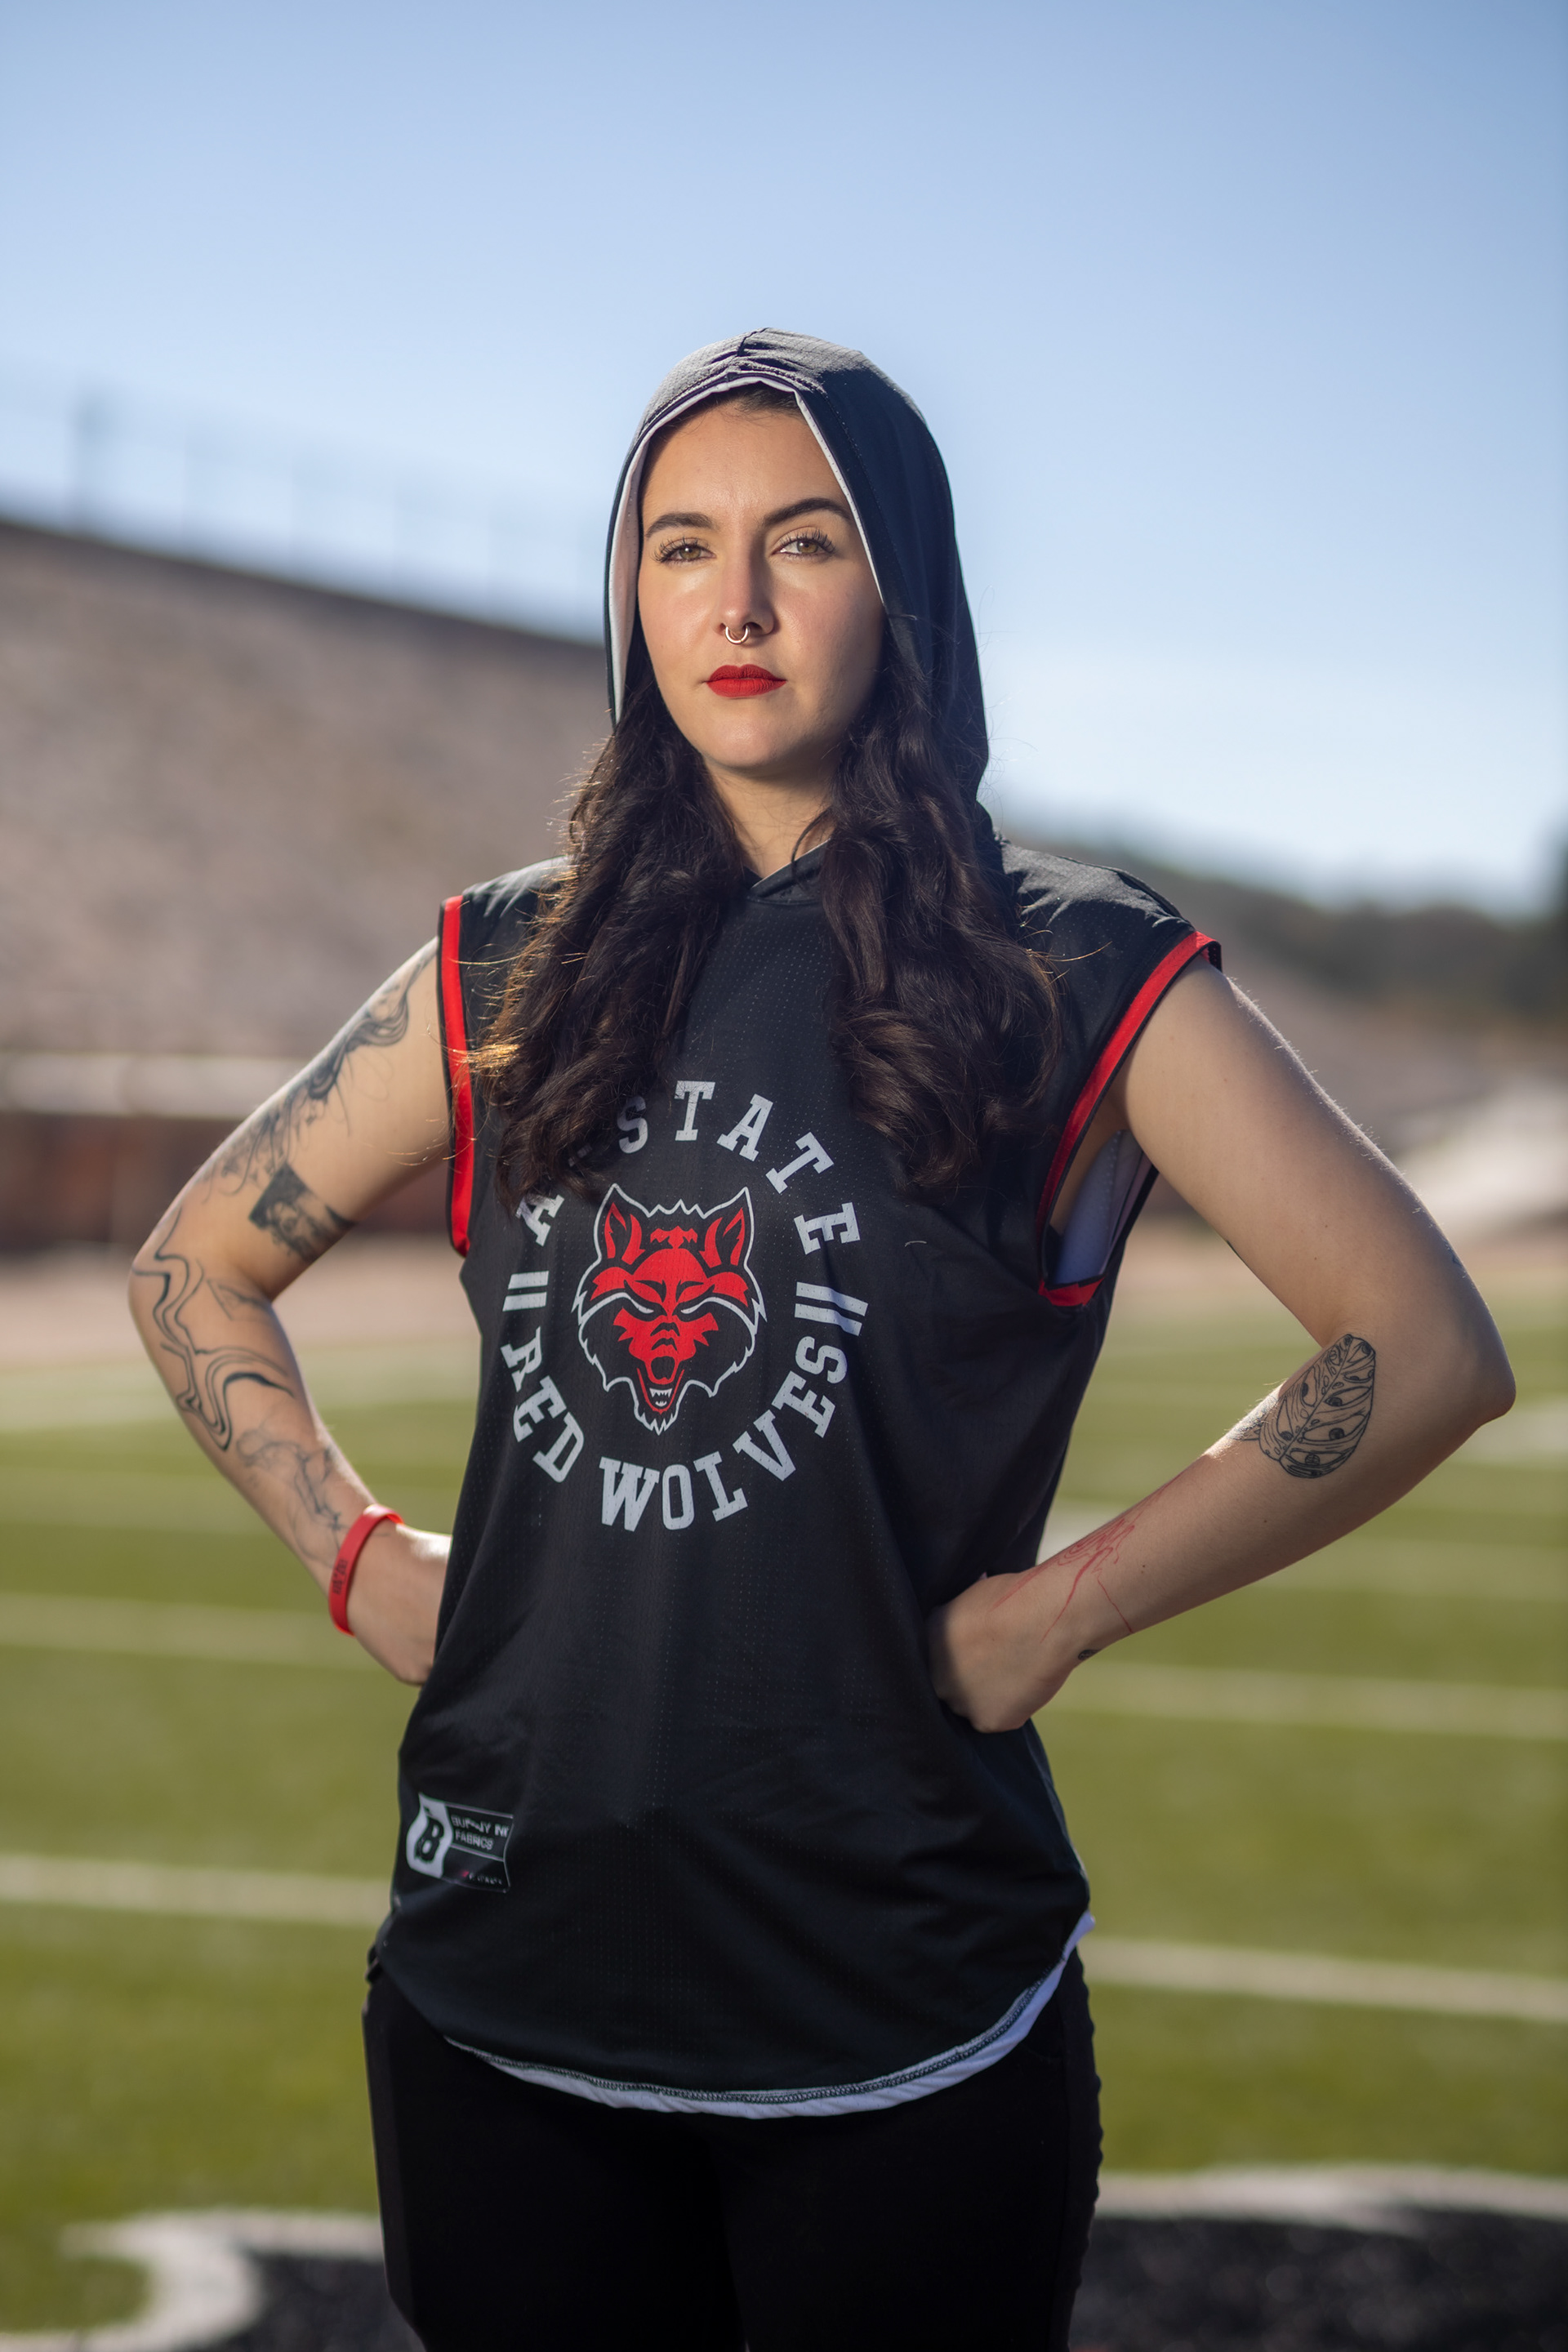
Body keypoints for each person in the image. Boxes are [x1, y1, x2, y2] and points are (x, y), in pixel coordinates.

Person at [129, 330, 1513, 2352]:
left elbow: (1426, 1344)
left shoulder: (1075, 963)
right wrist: (351, 1551)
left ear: (907, 585)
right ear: (630, 598)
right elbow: (192, 1266)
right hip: (497, 1987)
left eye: (807, 541)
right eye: (679, 547)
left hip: (901, 2012)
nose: (738, 605)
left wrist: (1064, 1611)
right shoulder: (505, 959)